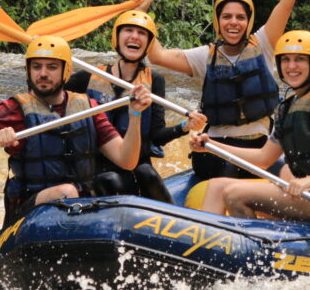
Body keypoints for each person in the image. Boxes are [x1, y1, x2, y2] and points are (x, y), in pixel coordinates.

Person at [145, 0, 310, 179]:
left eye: (240, 17)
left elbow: (286, 4)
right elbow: (157, 55)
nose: (233, 23)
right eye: (227, 17)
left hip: (258, 146)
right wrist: (142, 15)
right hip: (215, 148)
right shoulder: (204, 57)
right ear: (218, 22)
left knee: (291, 175)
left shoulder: (264, 42)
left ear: (248, 21)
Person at [0, 35, 152, 228]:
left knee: (113, 182)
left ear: (66, 71)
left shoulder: (88, 107)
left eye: (52, 67)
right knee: (66, 191)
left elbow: (127, 161)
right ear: (28, 70)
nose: (43, 73)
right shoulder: (13, 109)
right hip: (29, 211)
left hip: (80, 207)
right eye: (37, 66)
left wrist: (135, 115)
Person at [190, 30, 310, 221]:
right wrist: (210, 146)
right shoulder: (287, 106)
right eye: (286, 59)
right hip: (305, 191)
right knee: (217, 185)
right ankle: (205, 243)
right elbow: (263, 158)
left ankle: (249, 247)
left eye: (299, 59)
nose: (291, 66)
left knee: (234, 193)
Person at [64, 11, 207, 204]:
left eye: (141, 33)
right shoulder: (87, 77)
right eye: (128, 30)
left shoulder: (154, 80)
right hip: (97, 168)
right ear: (116, 37)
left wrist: (183, 127)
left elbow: (156, 135)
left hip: (136, 165)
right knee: (110, 180)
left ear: (148, 43)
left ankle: (175, 224)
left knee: (147, 173)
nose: (134, 37)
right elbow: (50, 93)